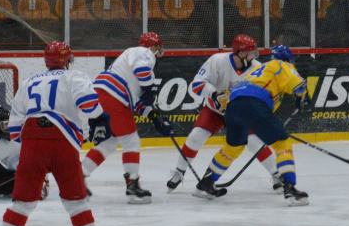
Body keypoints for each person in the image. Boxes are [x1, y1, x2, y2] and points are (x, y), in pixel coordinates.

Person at [0, 41, 112, 226]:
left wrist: (32, 153)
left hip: (31, 142)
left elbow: (15, 129)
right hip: (63, 142)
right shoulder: (74, 77)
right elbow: (89, 104)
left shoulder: (28, 82)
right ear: (67, 59)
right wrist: (99, 118)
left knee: (23, 203)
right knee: (76, 202)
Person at [194, 45, 311, 206]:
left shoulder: (261, 69)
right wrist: (303, 97)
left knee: (233, 147)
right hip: (253, 103)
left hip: (233, 105)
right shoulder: (281, 65)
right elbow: (299, 84)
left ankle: (205, 184)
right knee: (282, 142)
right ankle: (290, 188)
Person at [165, 34, 283, 192]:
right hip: (216, 110)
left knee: (254, 141)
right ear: (240, 53)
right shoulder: (217, 61)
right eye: (251, 52)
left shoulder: (256, 68)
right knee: (196, 136)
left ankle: (276, 175)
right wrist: (214, 94)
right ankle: (179, 172)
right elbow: (196, 85)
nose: (254, 55)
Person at [82, 32, 174, 204]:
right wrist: (150, 89)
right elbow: (142, 72)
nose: (159, 54)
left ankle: (77, 178)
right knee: (131, 141)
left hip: (103, 95)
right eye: (159, 50)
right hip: (113, 96)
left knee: (108, 143)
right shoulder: (143, 53)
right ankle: (132, 185)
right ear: (153, 47)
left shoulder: (131, 63)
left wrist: (155, 118)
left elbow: (137, 103)